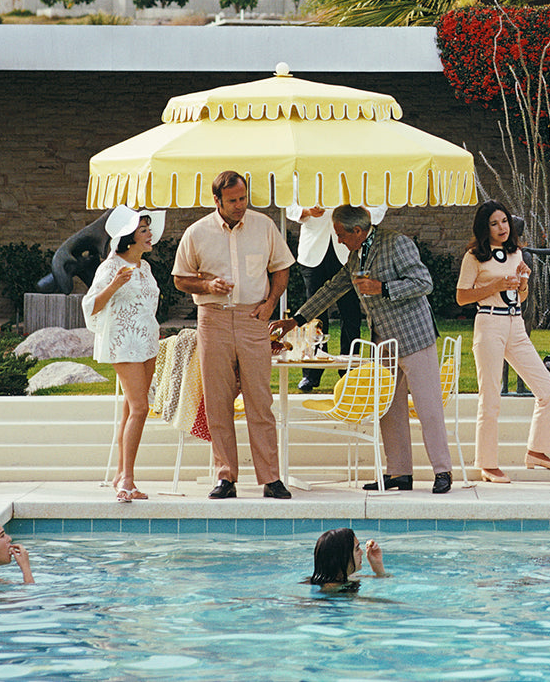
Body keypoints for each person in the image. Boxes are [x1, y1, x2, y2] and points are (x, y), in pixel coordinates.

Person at [283, 205, 454, 494]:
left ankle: (443, 471)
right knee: (388, 409)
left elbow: (424, 282)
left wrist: (383, 287)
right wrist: (296, 319)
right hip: (383, 341)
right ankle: (400, 473)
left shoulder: (397, 243)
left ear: (358, 231)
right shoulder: (356, 254)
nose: (337, 240)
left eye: (340, 234)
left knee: (428, 408)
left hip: (414, 337)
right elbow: (332, 288)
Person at [171, 170, 295, 500]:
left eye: (243, 198)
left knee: (260, 400)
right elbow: (180, 279)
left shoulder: (264, 225)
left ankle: (271, 478)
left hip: (255, 317)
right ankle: (225, 477)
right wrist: (207, 285)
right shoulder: (196, 233)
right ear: (217, 201)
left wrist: (271, 304)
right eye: (233, 201)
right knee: (218, 402)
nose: (240, 205)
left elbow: (281, 267)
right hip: (213, 319)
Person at [456, 200, 550, 483]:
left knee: (548, 389)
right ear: (484, 228)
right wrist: (494, 286)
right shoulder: (474, 257)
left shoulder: (515, 253)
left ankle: (537, 451)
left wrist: (522, 282)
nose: (502, 228)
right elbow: (462, 296)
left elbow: (520, 297)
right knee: (490, 397)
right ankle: (488, 464)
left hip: (515, 323)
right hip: (488, 323)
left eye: (504, 221)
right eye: (494, 223)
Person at [82, 205, 166, 503]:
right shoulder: (110, 267)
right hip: (123, 342)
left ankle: (121, 474)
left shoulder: (146, 268)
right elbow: (90, 306)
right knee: (141, 408)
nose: (150, 234)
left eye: (148, 229)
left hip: (146, 342)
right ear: (129, 238)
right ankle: (128, 480)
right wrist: (115, 284)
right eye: (144, 231)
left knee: (131, 410)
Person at [285, 204, 386, 393]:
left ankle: (349, 373)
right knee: (314, 316)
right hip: (313, 251)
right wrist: (306, 211)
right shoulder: (301, 174)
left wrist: (360, 214)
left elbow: (379, 209)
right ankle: (311, 374)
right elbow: (289, 205)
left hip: (348, 250)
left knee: (351, 314)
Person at [304, 528, 389, 591]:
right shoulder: (332, 590)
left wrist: (377, 565)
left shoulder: (344, 578)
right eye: (357, 549)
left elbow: (383, 579)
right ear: (342, 557)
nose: (362, 552)